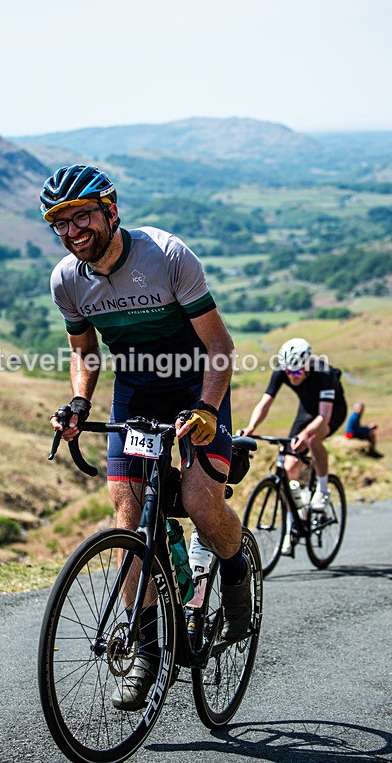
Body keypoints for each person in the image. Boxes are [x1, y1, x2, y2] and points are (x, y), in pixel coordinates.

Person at [41, 164, 251, 710]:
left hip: (197, 382)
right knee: (129, 519)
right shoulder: (67, 278)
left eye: (82, 215)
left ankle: (235, 575)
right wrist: (80, 402)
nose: (73, 230)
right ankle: (146, 650)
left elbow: (220, 347)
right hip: (136, 393)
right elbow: (84, 353)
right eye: (60, 222)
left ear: (111, 211)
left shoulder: (167, 256)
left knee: (201, 506)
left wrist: (206, 408)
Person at [242, 337, 347, 554]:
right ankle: (292, 527)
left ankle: (323, 489)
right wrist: (250, 428)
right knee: (289, 469)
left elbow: (324, 417)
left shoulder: (324, 374)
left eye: (297, 373)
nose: (292, 376)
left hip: (331, 411)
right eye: (289, 373)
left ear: (308, 365)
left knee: (311, 439)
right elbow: (265, 403)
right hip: (307, 410)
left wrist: (306, 433)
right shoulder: (283, 371)